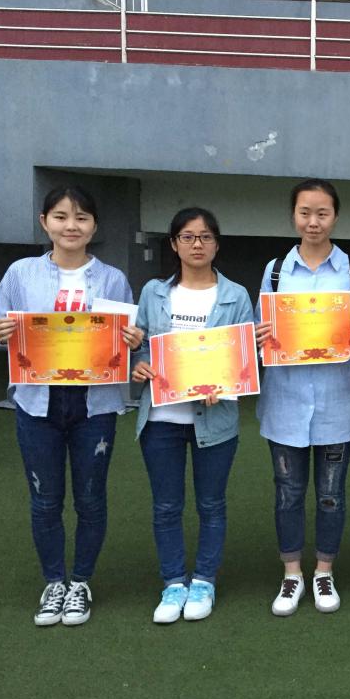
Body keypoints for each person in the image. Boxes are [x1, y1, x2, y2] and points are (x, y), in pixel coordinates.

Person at [0, 186, 141, 626]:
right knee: (44, 499)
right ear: (44, 222)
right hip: (37, 402)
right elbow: (4, 335)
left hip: (95, 404)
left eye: (81, 218)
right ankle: (54, 582)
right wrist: (2, 333)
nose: (70, 226)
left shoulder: (112, 278)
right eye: (60, 217)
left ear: (94, 226)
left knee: (91, 499)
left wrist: (133, 340)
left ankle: (81, 583)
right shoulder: (20, 273)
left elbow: (122, 344)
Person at [255, 179, 350, 616]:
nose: (313, 222)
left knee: (331, 493)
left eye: (322, 213)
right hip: (284, 400)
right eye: (305, 212)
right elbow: (259, 336)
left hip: (337, 401)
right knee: (287, 493)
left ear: (335, 217)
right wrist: (261, 336)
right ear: (293, 216)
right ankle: (292, 575)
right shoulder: (274, 271)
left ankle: (324, 571)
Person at [131, 208, 254, 624]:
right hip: (161, 419)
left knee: (211, 504)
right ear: (174, 244)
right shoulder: (153, 292)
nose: (196, 244)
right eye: (187, 237)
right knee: (166, 506)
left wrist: (227, 383)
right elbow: (139, 345)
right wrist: (140, 364)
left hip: (215, 421)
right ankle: (172, 582)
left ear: (217, 244)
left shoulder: (236, 295)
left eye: (205, 237)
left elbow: (244, 358)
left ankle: (203, 580)